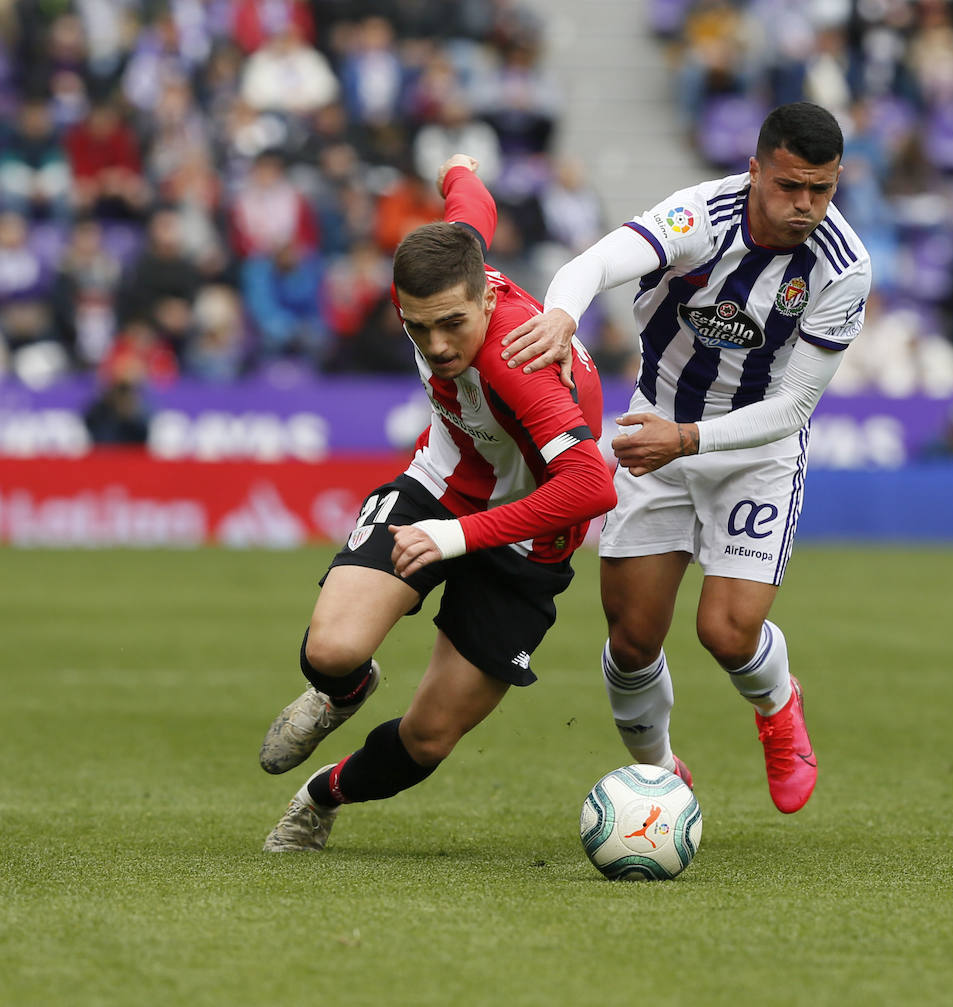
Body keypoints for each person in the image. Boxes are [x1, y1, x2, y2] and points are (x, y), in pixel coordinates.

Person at [500, 102, 872, 815]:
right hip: (655, 431)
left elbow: (794, 406)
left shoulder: (843, 266)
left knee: (726, 632)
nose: (804, 204)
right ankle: (660, 774)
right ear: (755, 170)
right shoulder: (701, 215)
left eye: (821, 189)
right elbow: (593, 263)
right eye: (789, 185)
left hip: (757, 449)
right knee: (632, 638)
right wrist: (562, 315)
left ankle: (779, 708)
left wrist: (688, 439)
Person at [259, 153, 616, 852]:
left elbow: (589, 487)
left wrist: (457, 538)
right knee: (330, 650)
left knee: (426, 739)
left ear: (487, 299)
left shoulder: (518, 362)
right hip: (441, 484)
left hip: (529, 537)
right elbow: (471, 204)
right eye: (418, 327)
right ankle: (344, 692)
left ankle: (320, 796)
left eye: (452, 323)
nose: (437, 345)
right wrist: (458, 166)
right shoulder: (452, 269)